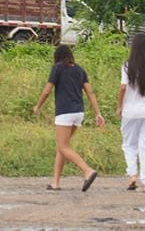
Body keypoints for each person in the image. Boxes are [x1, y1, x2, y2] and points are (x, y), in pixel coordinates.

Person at [31, 43, 105, 191]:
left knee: (64, 147)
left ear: (57, 56)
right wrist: (98, 113)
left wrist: (38, 106)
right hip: (79, 113)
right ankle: (55, 182)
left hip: (64, 112)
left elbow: (47, 90)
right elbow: (90, 92)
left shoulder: (57, 68)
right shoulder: (80, 70)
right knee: (62, 147)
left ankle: (87, 170)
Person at [116, 32, 145, 192]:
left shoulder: (127, 66)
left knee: (129, 145)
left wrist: (119, 106)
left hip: (130, 112)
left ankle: (132, 175)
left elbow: (123, 88)